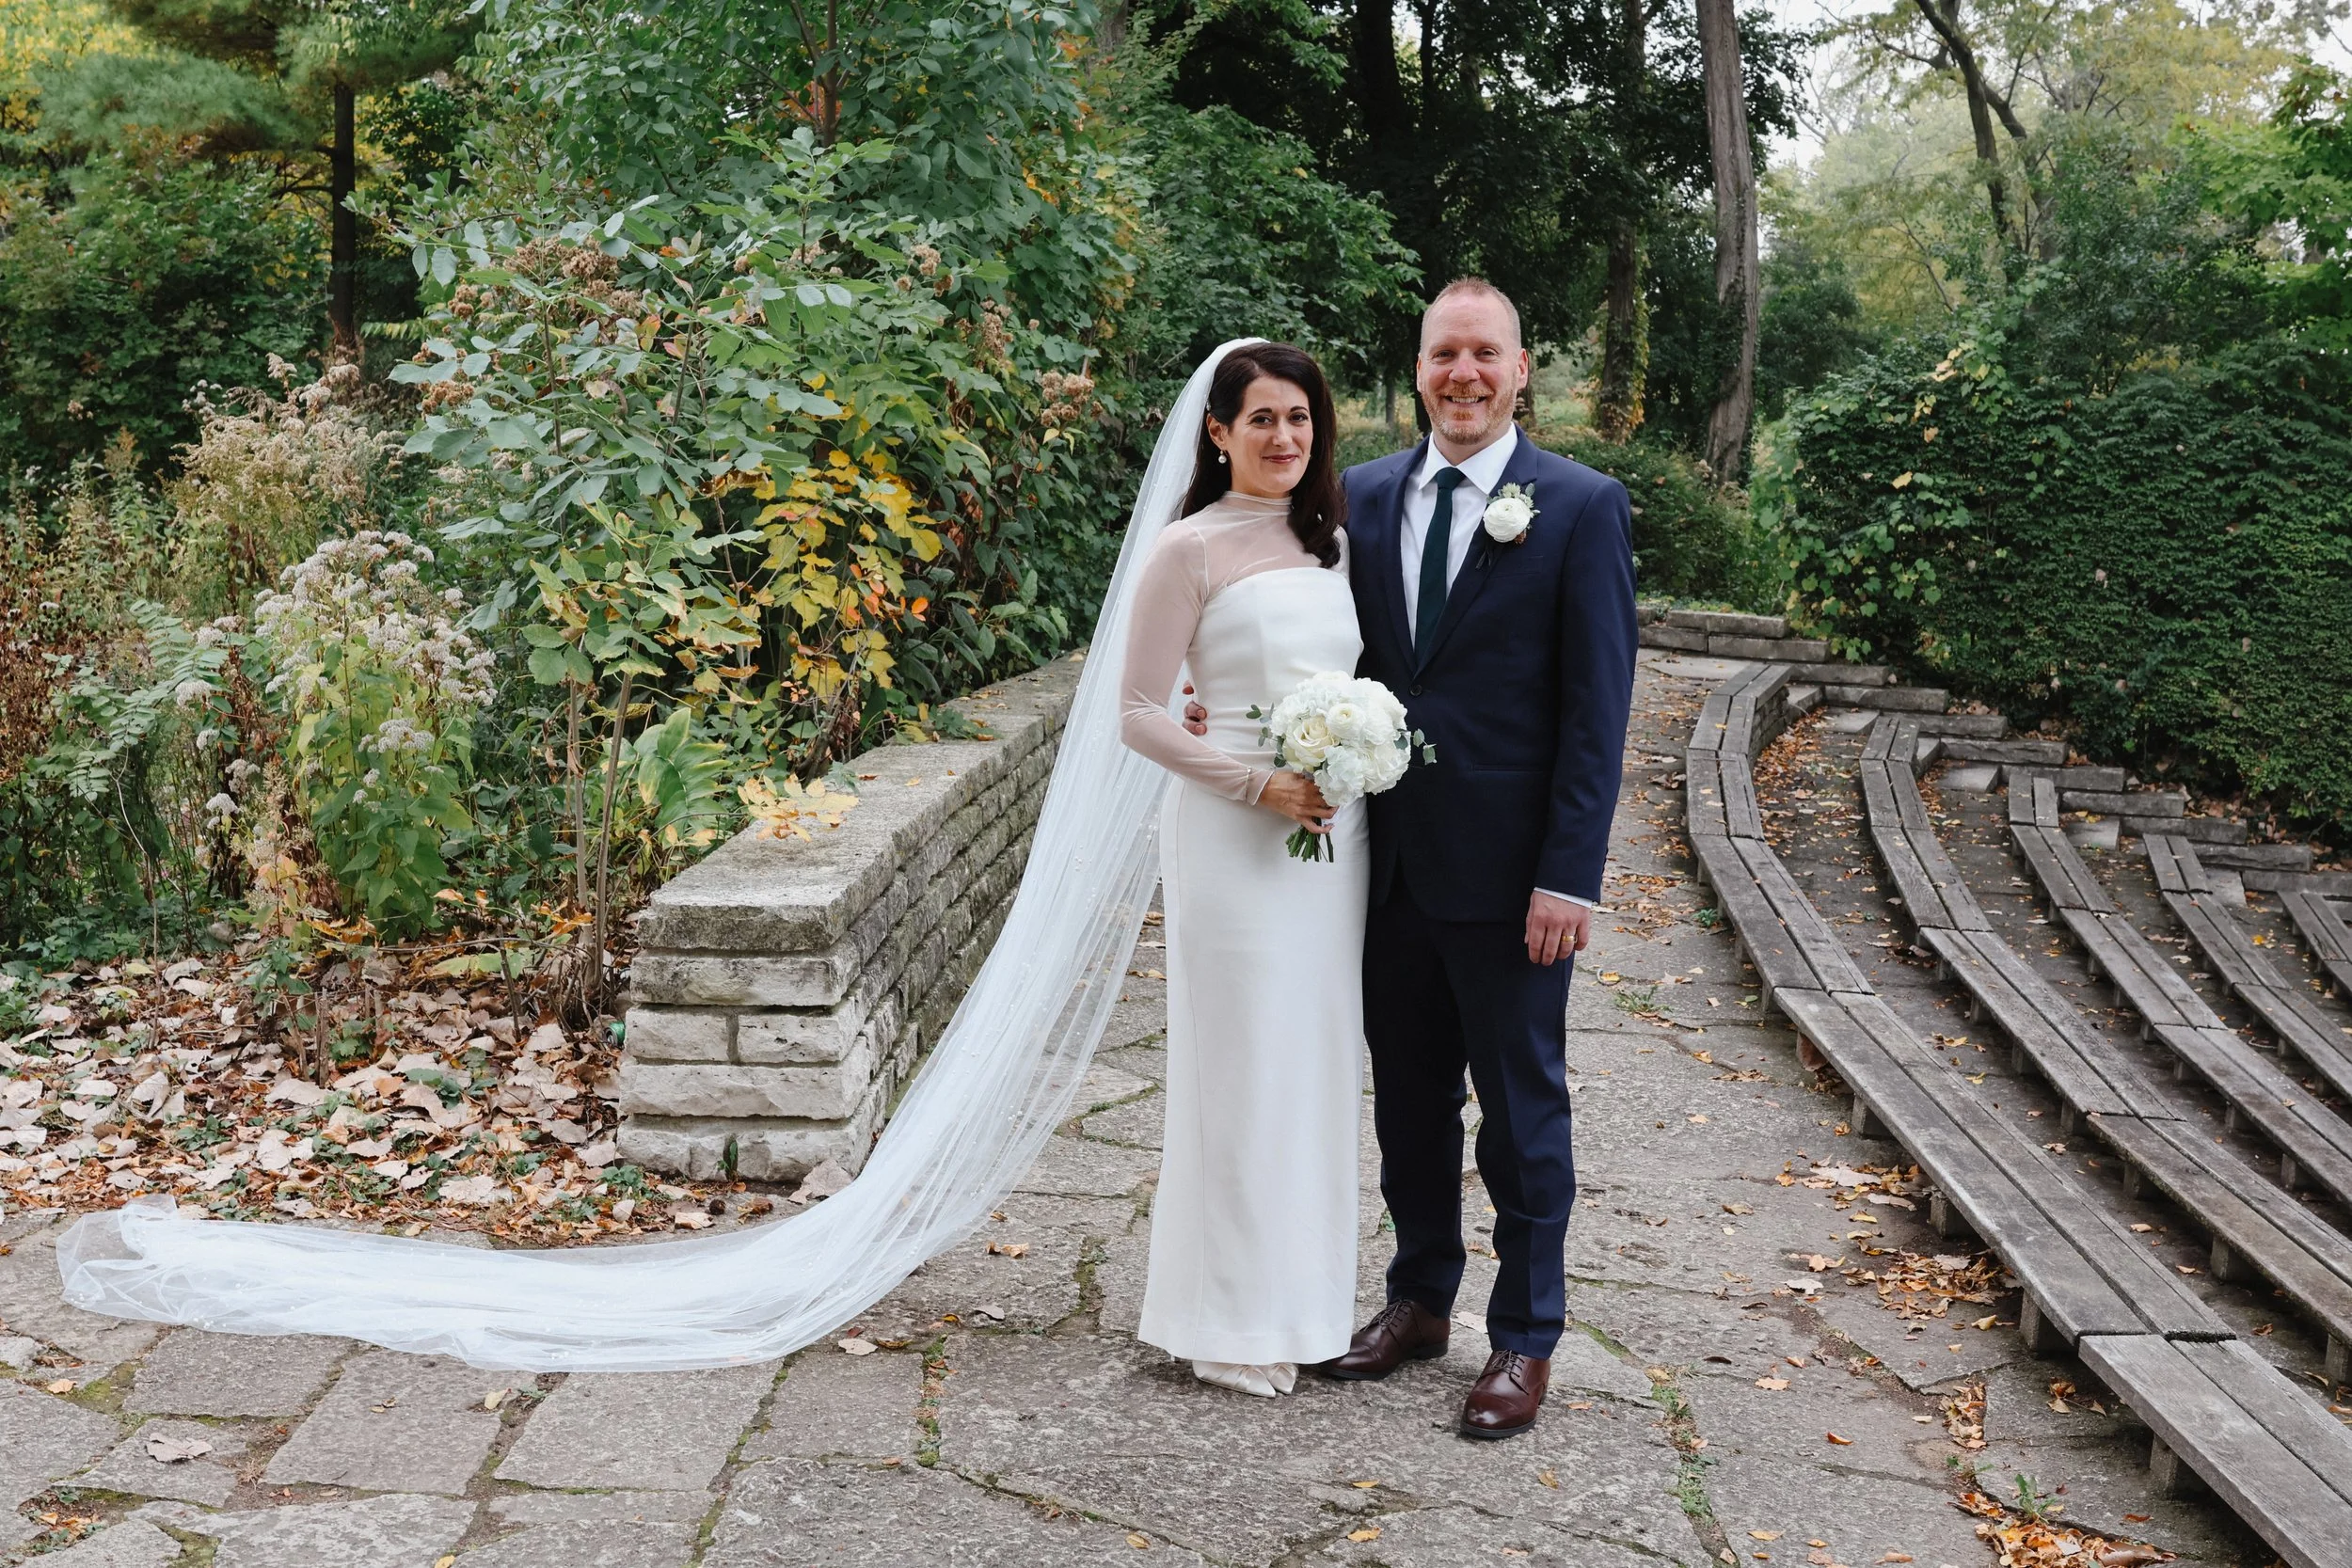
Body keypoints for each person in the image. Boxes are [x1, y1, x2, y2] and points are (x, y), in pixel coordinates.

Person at [1184, 280, 1636, 1438]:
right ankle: (1418, 1297)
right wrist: (1200, 693)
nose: (1464, 374)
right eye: (1445, 354)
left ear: (1521, 368)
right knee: (1411, 1104)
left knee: (1521, 1109)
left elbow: (1597, 709)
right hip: (1376, 868)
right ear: (1420, 364)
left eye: (1486, 353)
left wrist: (1569, 873)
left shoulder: (1580, 508)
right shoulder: (1356, 499)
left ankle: (1524, 1334)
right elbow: (1285, 627)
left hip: (1512, 874)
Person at [1116, 342, 1367, 1399]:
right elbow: (1134, 712)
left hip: (1327, 847)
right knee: (1236, 1069)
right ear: (1217, 432)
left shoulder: (1333, 542)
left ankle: (1303, 1307)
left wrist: (1355, 754)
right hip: (1232, 834)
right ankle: (1220, 1318)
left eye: (1299, 418)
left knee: (1309, 1069)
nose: (1283, 438)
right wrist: (1251, 782)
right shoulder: (1186, 549)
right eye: (1260, 418)